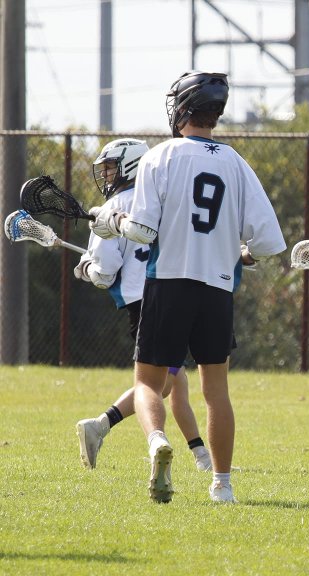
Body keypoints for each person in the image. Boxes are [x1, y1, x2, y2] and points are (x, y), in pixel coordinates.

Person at [88, 71, 286, 504]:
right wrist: (239, 253)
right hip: (217, 290)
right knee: (216, 393)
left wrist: (113, 221)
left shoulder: (160, 156)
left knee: (148, 382)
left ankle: (157, 440)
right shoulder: (236, 163)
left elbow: (142, 231)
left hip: (169, 284)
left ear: (181, 109)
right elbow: (269, 243)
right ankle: (223, 485)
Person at [74, 138, 211, 473]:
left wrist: (86, 268)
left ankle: (200, 456)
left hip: (142, 300)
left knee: (171, 381)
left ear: (130, 165)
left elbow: (105, 274)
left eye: (110, 167)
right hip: (175, 294)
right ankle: (106, 426)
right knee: (163, 382)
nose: (106, 175)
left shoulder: (113, 207)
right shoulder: (164, 197)